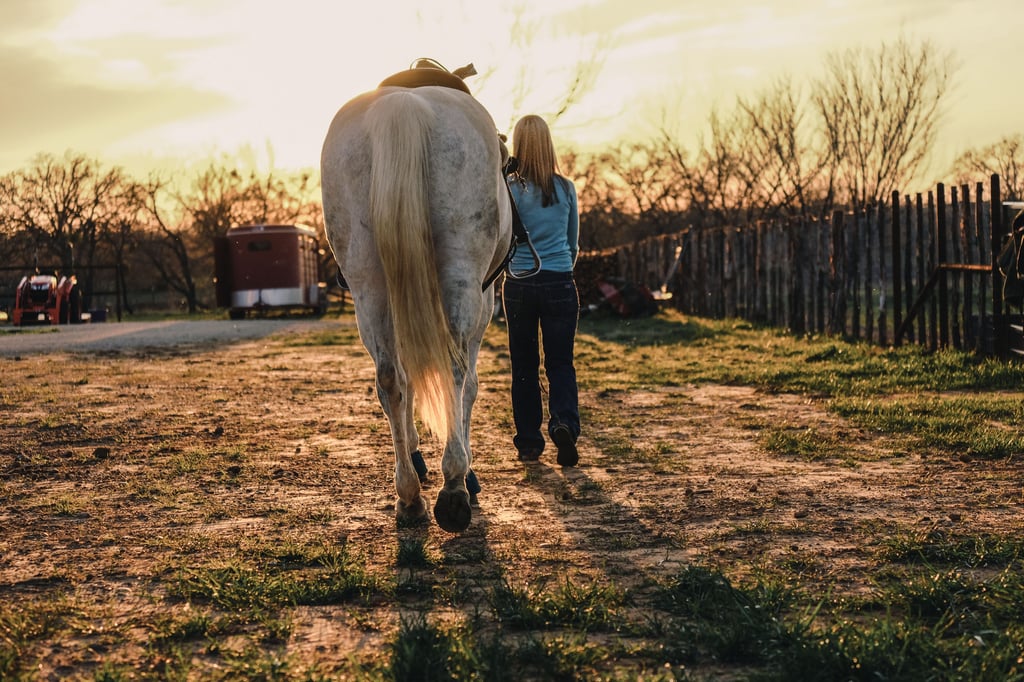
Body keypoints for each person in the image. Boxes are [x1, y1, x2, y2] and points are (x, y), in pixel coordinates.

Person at [502, 114, 581, 467]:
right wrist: (559, 269)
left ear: (518, 145)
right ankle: (564, 424)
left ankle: (529, 443)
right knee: (560, 363)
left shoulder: (508, 188)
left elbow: (501, 239)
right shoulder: (566, 188)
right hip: (560, 281)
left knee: (524, 366)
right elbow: (573, 244)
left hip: (519, 282)